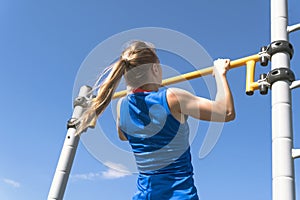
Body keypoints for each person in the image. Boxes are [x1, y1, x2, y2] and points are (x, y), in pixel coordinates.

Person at [77, 41, 235, 200]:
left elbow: (123, 136)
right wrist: (220, 74)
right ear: (155, 68)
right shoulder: (172, 98)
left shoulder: (121, 106)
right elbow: (226, 112)